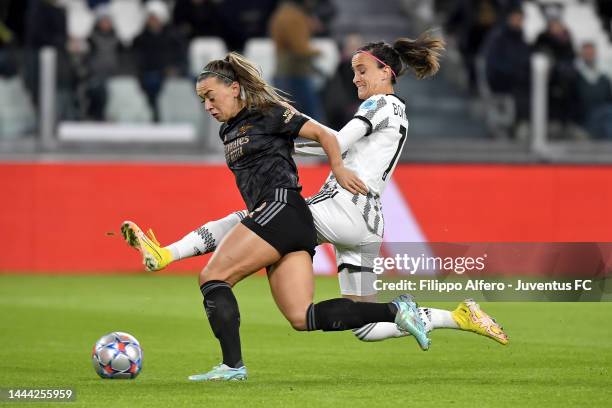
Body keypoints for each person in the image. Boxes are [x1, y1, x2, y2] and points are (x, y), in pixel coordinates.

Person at [123, 34, 508, 347]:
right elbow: (336, 142)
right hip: (368, 223)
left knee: (260, 217)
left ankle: (168, 252)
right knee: (365, 324)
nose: (356, 78)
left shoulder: (380, 104)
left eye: (362, 70)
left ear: (385, 71)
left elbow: (336, 139)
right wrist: (287, 141)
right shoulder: (397, 111)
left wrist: (283, 139)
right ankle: (457, 316)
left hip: (343, 206)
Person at [122, 51, 432, 381]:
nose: (208, 106)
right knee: (302, 316)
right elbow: (299, 146)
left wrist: (338, 169)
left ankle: (231, 365)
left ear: (235, 88)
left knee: (213, 277)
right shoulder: (229, 130)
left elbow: (326, 136)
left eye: (211, 97)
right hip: (288, 221)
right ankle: (397, 310)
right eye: (202, 101)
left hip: (282, 208)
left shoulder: (268, 112)